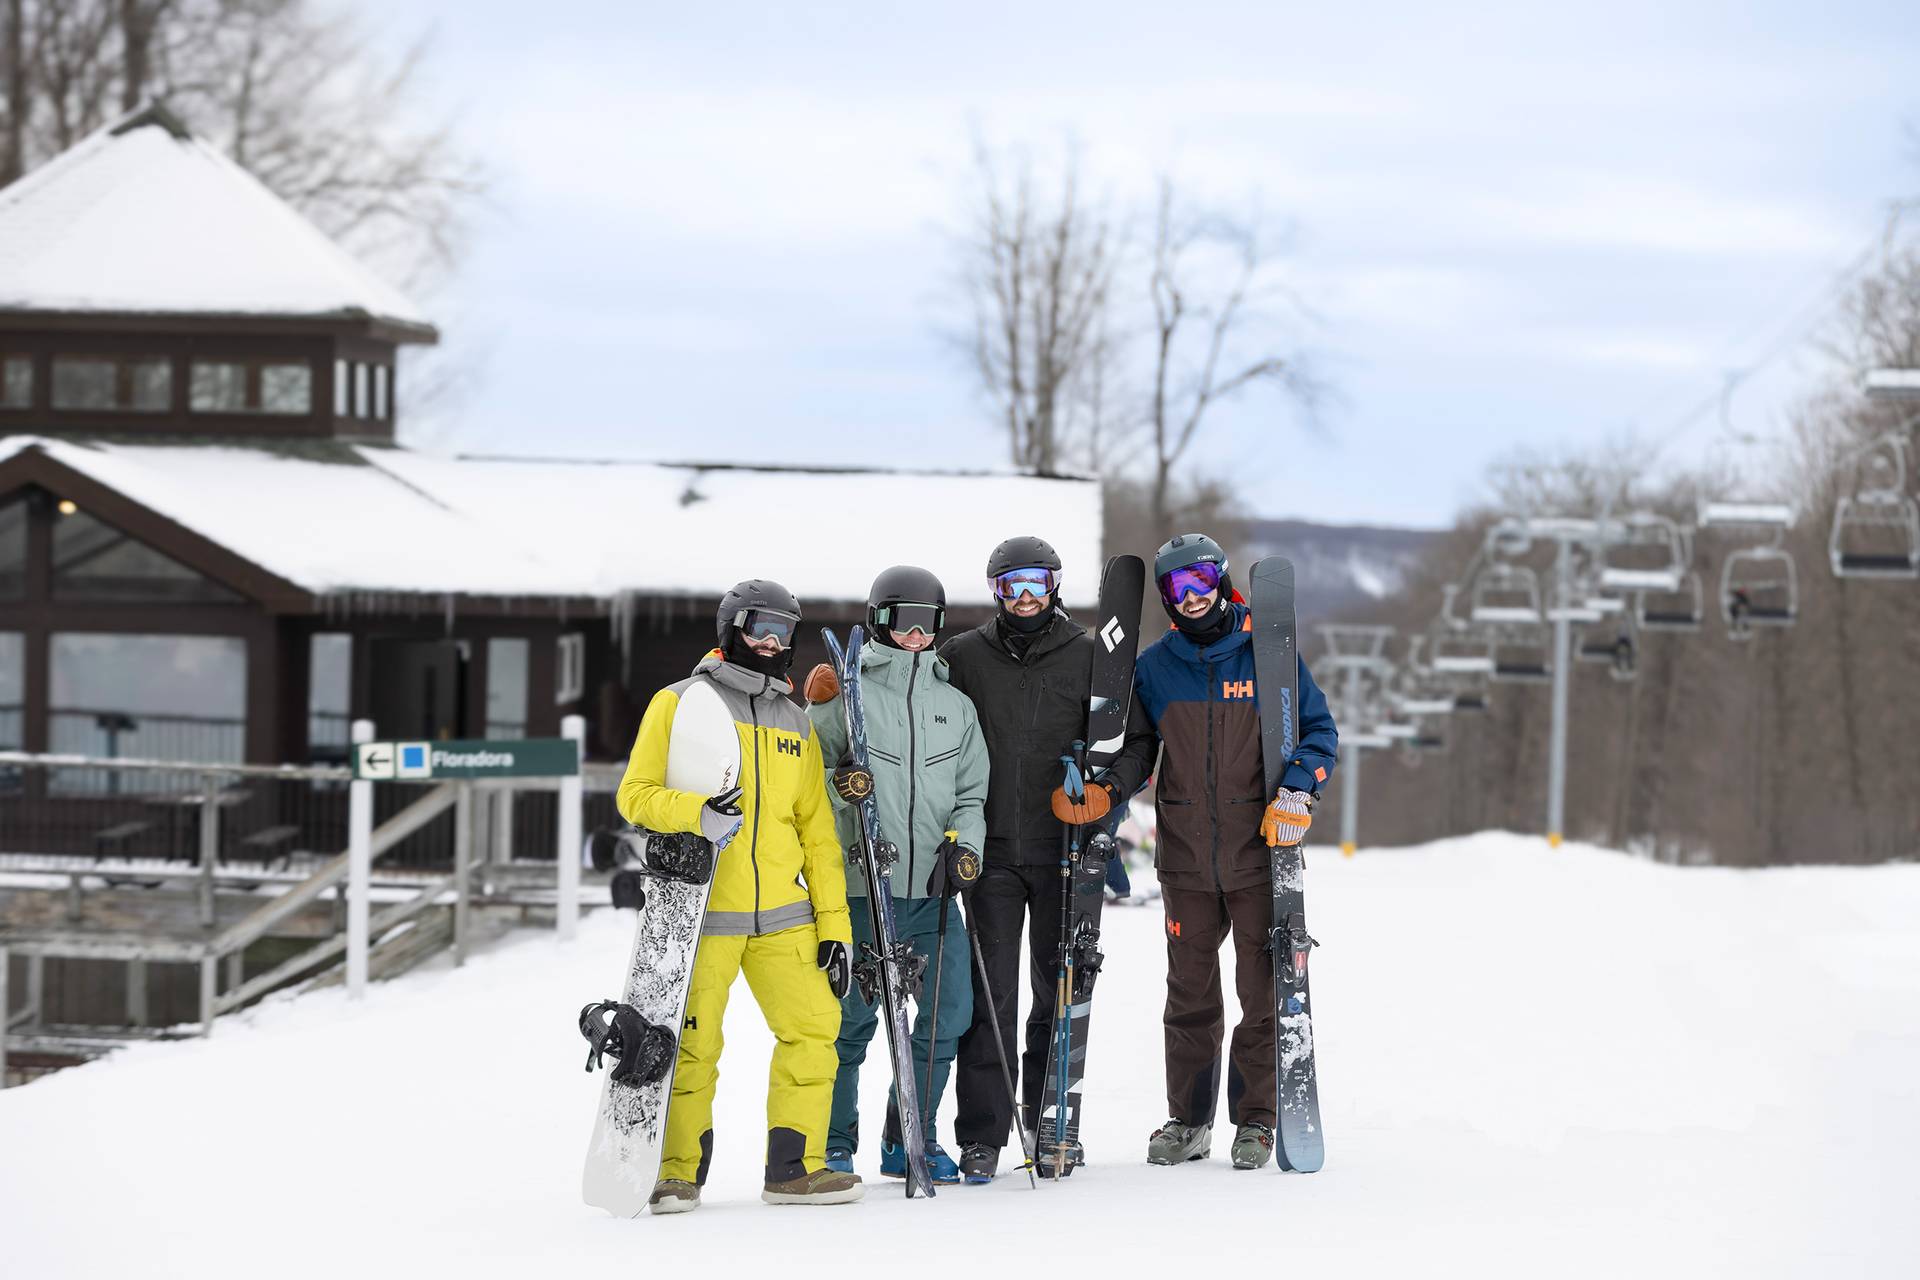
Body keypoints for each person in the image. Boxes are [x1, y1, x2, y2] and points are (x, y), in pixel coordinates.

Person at [616, 579, 863, 1212]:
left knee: (814, 1032)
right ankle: (676, 1173)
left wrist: (834, 926)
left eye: (784, 631)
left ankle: (796, 1169)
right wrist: (696, 813)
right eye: (759, 628)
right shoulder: (677, 704)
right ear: (731, 629)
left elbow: (819, 835)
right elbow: (635, 794)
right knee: (693, 1047)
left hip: (785, 916)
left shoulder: (795, 722)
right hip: (703, 913)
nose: (771, 642)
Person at [940, 536, 1155, 1183]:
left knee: (1056, 995)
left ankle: (1048, 1117)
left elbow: (1137, 744)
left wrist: (1105, 793)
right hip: (993, 855)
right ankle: (983, 1134)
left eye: (1036, 583)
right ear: (996, 591)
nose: (1026, 597)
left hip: (1066, 856)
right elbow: (921, 716)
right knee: (989, 995)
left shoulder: (1093, 657)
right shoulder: (964, 658)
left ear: (1055, 587)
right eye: (1013, 585)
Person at [1127, 534, 1339, 1171]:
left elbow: (1319, 734)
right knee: (1189, 996)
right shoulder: (1155, 666)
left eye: (1199, 581)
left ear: (1220, 580)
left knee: (1262, 993)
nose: (1191, 598)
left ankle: (1257, 1121)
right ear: (1166, 599)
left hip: (1259, 855)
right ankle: (1189, 1122)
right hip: (1186, 860)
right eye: (1176, 589)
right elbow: (1137, 751)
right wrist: (1106, 786)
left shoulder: (1270, 654)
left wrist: (1299, 790)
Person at [802, 566, 988, 1186]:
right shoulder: (846, 695)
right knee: (850, 1020)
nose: (914, 634)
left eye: (927, 622)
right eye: (902, 619)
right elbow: (812, 776)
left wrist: (965, 849)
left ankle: (909, 1133)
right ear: (879, 620)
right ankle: (833, 1143)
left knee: (947, 1013)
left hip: (930, 893)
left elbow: (970, 794)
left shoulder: (955, 706)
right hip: (861, 888)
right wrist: (841, 790)